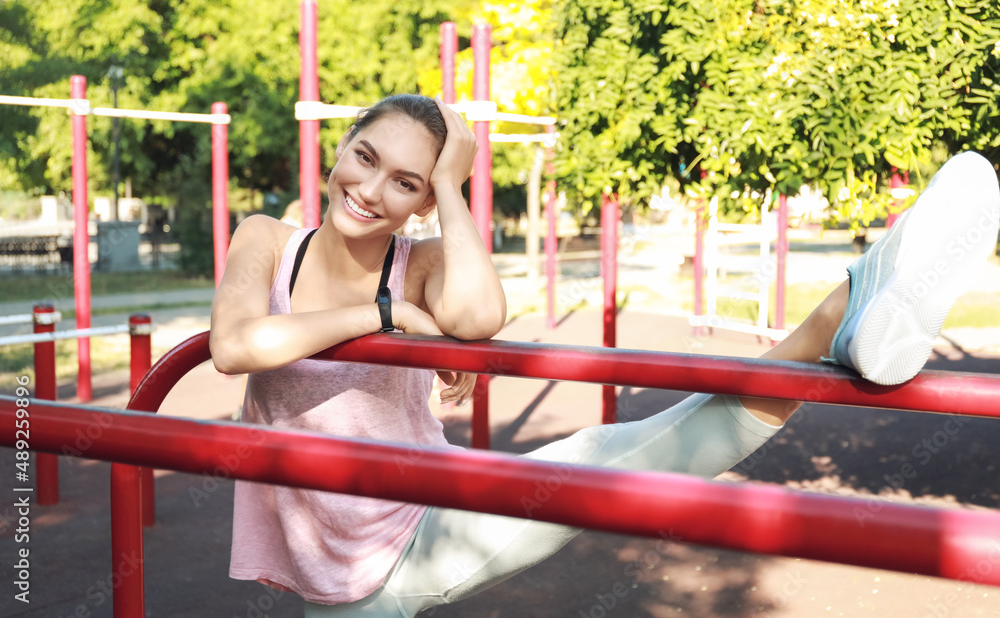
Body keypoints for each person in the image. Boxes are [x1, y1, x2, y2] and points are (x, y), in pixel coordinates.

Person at [209, 94, 1000, 617]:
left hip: (418, 522)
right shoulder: (268, 239)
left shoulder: (413, 260)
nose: (372, 188)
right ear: (340, 147)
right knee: (611, 459)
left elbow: (481, 314)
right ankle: (850, 307)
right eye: (366, 157)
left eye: (408, 182)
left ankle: (845, 307)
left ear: (423, 201)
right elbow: (235, 345)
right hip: (334, 573)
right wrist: (382, 314)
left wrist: (455, 186)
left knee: (608, 458)